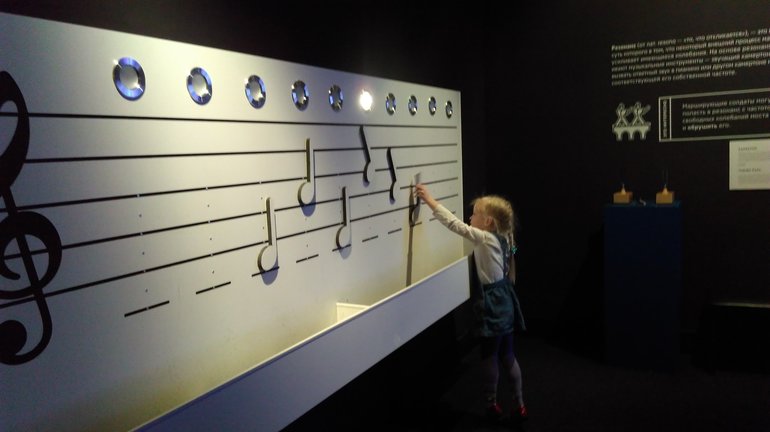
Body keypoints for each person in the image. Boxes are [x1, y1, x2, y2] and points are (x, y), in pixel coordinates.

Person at [414, 184, 527, 423]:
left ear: (488, 222)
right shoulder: (506, 237)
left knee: (489, 355)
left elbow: (454, 224)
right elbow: (513, 251)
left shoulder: (484, 238)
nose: (470, 218)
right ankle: (519, 404)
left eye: (474, 214)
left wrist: (430, 201)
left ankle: (491, 404)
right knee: (508, 355)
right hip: (507, 300)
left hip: (493, 305)